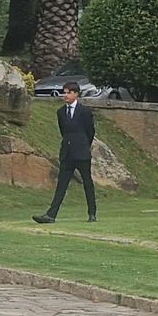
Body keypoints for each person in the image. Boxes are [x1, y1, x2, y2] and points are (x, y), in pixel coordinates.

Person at [33, 82, 98, 224]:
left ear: (76, 94)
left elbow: (90, 132)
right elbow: (64, 131)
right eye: (65, 92)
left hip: (81, 152)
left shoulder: (85, 111)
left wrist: (83, 145)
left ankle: (92, 213)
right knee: (61, 184)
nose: (66, 95)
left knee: (87, 182)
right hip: (67, 153)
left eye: (68, 92)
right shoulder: (61, 112)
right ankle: (51, 215)